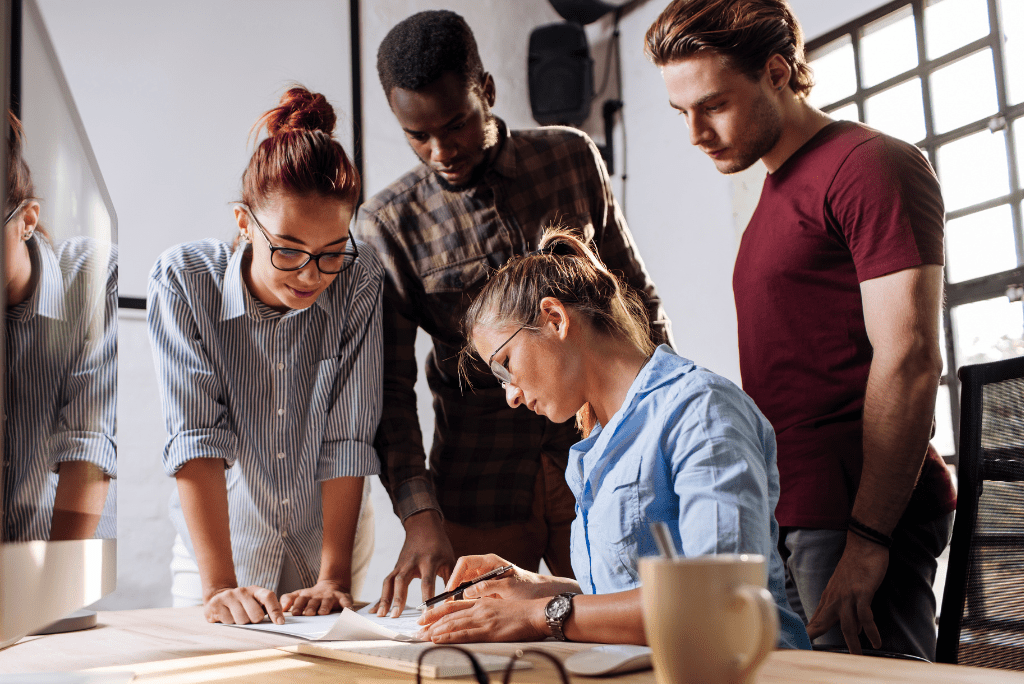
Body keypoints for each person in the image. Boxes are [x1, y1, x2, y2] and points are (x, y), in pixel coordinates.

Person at [644, 0, 957, 659]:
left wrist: (870, 538)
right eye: (683, 114)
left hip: (856, 516)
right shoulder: (773, 194)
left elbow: (910, 358)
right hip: (794, 513)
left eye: (713, 104)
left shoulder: (869, 165)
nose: (696, 132)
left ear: (778, 72)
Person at [356, 9, 672, 618]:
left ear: (488, 91)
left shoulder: (572, 157)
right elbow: (389, 391)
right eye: (417, 135)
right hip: (476, 485)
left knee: (628, 634)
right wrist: (420, 519)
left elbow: (637, 308)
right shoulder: (386, 222)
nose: (441, 149)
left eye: (456, 124)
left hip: (605, 464)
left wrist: (666, 433)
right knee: (480, 646)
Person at [416, 228, 809, 649]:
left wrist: (536, 615)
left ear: (555, 319)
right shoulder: (595, 445)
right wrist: (533, 589)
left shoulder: (700, 409)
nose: (510, 395)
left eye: (505, 365)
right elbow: (625, 592)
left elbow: (716, 601)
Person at [147, 87, 382, 625]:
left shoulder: (361, 274)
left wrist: (333, 578)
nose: (310, 275)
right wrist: (219, 588)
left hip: (329, 542)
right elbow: (196, 439)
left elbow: (347, 435)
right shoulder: (183, 281)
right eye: (288, 249)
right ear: (244, 222)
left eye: (331, 253)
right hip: (223, 546)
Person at [3, 110, 116, 543]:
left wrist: (50, 589)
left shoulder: (93, 275)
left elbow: (86, 445)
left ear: (27, 220)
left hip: (59, 566)